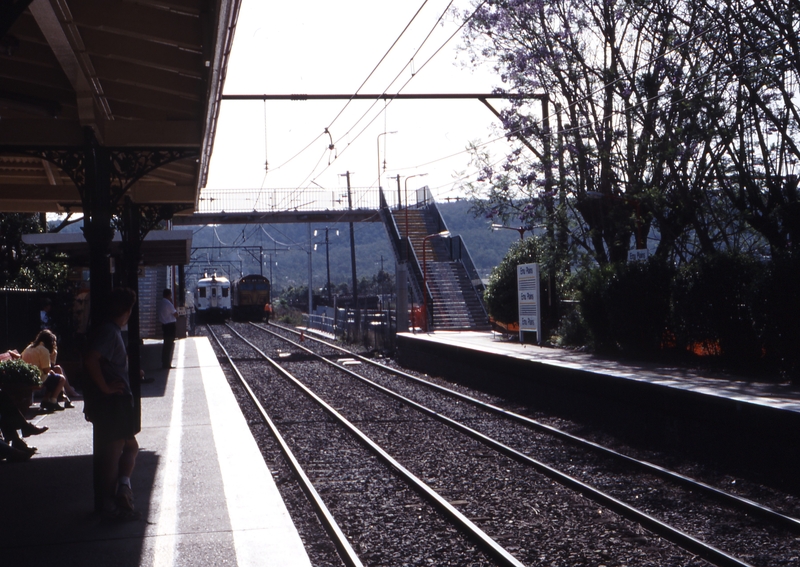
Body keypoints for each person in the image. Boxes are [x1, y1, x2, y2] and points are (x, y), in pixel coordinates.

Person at [83, 287, 140, 517]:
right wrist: (106, 388)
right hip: (114, 402)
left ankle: (123, 488)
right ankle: (110, 503)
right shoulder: (109, 331)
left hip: (117, 401)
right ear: (126, 311)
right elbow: (91, 359)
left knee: (129, 446)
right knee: (114, 453)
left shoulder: (109, 330)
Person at [21, 329, 78, 412]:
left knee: (54, 375)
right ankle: (53, 401)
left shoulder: (29, 347)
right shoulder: (43, 350)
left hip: (28, 377)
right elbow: (46, 370)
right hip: (37, 378)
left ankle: (46, 400)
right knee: (61, 378)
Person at [157, 288, 178, 370]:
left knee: (166, 345)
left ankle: (164, 362)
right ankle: (166, 363)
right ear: (169, 295)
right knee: (169, 345)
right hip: (170, 326)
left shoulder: (161, 302)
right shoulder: (168, 303)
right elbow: (176, 314)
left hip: (165, 325)